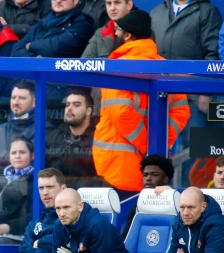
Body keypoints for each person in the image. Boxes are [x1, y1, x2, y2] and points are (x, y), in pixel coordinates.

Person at [93, 9, 190, 197]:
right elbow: (182, 112)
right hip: (151, 167)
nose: (115, 35)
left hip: (119, 167)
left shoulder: (119, 66)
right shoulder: (164, 66)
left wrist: (147, 147)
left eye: (118, 31)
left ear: (128, 35)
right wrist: (157, 146)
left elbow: (121, 113)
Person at [45, 89, 99, 188]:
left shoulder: (99, 138)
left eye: (76, 105)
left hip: (88, 197)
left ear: (88, 111)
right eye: (67, 105)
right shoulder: (54, 136)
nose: (69, 108)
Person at [0, 138, 34, 243]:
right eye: (14, 153)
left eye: (22, 152)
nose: (17, 156)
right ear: (9, 157)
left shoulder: (36, 181)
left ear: (32, 156)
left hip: (21, 237)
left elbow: (34, 215)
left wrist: (9, 227)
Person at [0, 81, 35, 179]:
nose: (16, 102)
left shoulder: (43, 130)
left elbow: (41, 167)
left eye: (22, 98)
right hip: (1, 190)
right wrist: (9, 171)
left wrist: (1, 160)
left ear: (34, 102)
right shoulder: (1, 130)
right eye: (13, 98)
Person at [12, 0, 94, 58]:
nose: (58, 1)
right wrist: (34, 59)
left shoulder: (83, 23)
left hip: (64, 78)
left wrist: (30, 45)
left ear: (75, 1)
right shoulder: (42, 23)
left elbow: (56, 47)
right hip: (35, 77)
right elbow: (16, 50)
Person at [120, 154, 174, 238]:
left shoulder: (178, 206)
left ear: (166, 179)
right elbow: (125, 241)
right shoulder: (135, 210)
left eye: (155, 174)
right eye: (145, 175)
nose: (148, 178)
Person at [151, 0, 222, 61]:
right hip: (159, 75)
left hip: (193, 75)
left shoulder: (208, 12)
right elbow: (148, 51)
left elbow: (212, 54)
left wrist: (204, 76)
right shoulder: (156, 12)